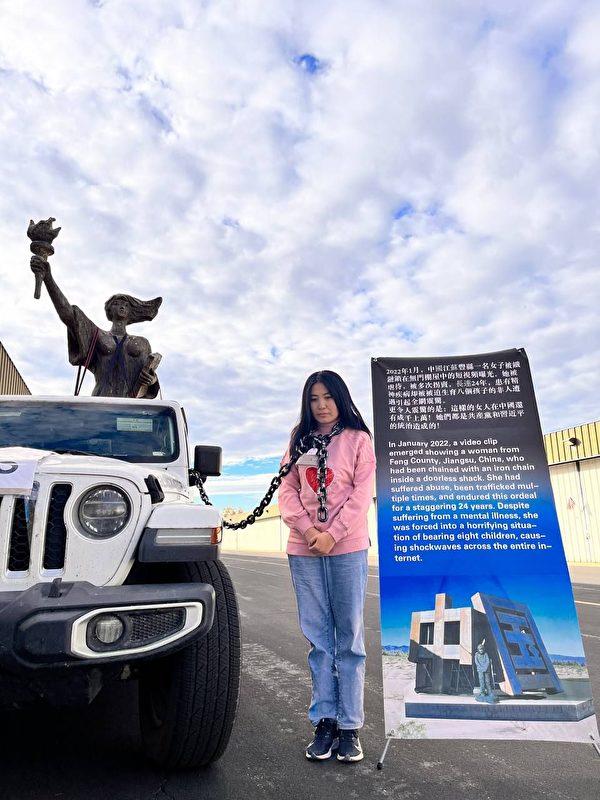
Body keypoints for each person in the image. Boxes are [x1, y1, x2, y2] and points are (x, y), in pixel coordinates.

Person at [279, 370, 376, 763]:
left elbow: (362, 493)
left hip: (347, 548)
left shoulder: (358, 439)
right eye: (314, 398)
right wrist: (307, 530)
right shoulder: (299, 439)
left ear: (341, 398)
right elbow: (286, 490)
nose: (321, 405)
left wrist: (333, 534)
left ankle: (350, 726)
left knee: (349, 638)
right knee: (319, 640)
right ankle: (325, 722)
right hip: (304, 550)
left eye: (328, 397)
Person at [30, 255, 161, 397]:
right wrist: (48, 278)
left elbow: (148, 378)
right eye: (116, 304)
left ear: (131, 311)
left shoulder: (142, 343)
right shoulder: (97, 336)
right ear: (109, 311)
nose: (122, 306)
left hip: (132, 405)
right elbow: (70, 316)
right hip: (101, 400)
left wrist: (152, 380)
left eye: (126, 305)